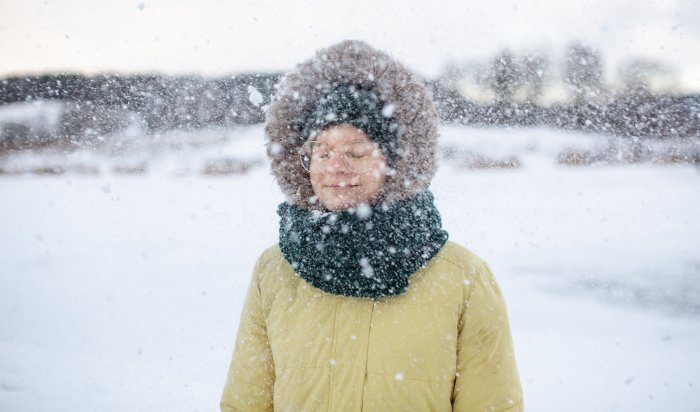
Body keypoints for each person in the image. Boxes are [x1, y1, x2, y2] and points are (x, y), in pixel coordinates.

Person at [220, 40, 523, 412]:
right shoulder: (274, 271)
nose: (335, 167)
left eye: (356, 152)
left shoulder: (464, 278)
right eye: (322, 151)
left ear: (394, 161)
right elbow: (245, 404)